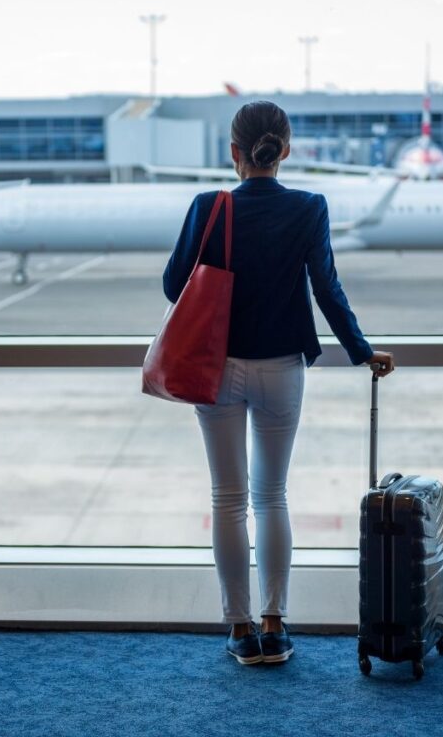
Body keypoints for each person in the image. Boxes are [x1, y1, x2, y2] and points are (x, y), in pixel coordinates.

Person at [162, 101, 394, 666]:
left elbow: (174, 287)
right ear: (285, 150)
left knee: (227, 499)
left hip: (216, 368)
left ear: (233, 153)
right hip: (282, 368)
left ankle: (239, 629)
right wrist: (362, 352)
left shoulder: (207, 206)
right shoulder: (309, 208)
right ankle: (274, 624)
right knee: (272, 496)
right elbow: (327, 291)